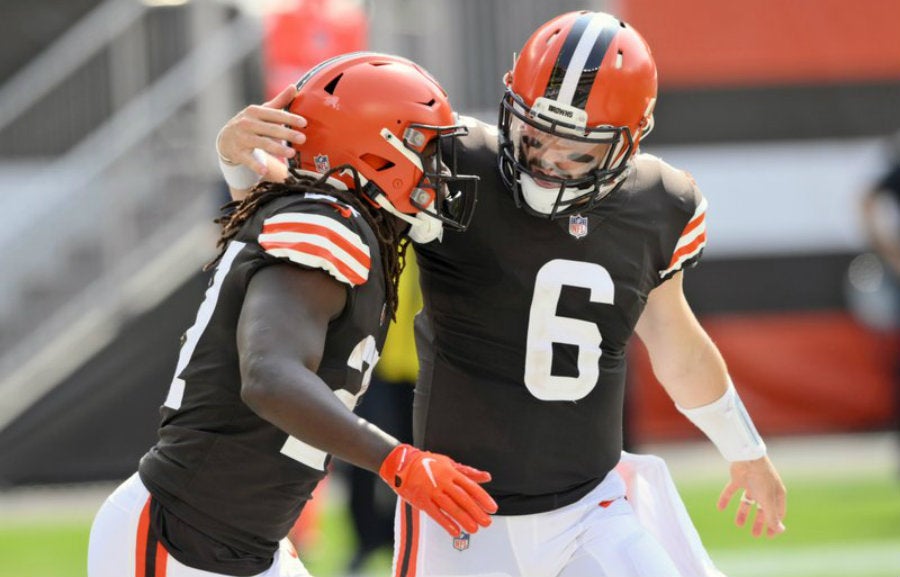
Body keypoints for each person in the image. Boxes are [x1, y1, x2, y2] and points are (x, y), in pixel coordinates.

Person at [217, 11, 788, 577]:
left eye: (578, 151)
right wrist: (239, 165)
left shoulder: (661, 203)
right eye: (536, 134)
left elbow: (674, 339)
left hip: (592, 506)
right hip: (457, 514)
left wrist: (745, 449)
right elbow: (299, 215)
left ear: (629, 143)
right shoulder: (453, 165)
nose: (546, 161)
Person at [87, 52, 496, 577]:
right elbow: (269, 378)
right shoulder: (325, 223)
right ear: (374, 149)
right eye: (422, 146)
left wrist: (235, 164)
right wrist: (399, 462)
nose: (436, 169)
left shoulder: (321, 214)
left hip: (242, 542)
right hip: (184, 538)